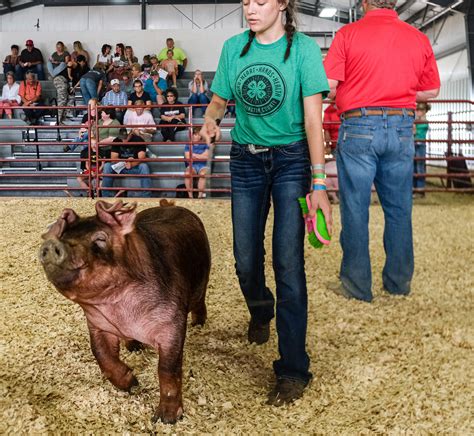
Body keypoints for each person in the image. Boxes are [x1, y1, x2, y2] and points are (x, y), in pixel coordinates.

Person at [200, 0, 331, 406]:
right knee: (244, 259)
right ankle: (261, 310)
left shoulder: (305, 50)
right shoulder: (233, 48)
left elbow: (313, 120)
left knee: (288, 262)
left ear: (283, 3)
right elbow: (220, 101)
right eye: (245, 2)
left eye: (260, 1)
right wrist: (210, 118)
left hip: (291, 161)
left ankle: (293, 368)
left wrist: (320, 182)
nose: (250, 10)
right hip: (245, 161)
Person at [324, 0, 440, 303]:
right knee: (400, 209)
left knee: (355, 208)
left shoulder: (348, 34)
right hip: (401, 127)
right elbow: (432, 90)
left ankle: (357, 286)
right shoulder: (418, 37)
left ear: (364, 3)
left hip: (359, 124)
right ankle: (398, 283)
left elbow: (329, 85)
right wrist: (398, 89)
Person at [184, 127, 209, 198]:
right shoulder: (188, 144)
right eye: (195, 134)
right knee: (187, 174)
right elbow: (188, 157)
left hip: (204, 165)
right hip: (192, 165)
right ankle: (190, 196)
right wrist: (201, 156)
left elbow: (206, 157)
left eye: (199, 135)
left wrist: (194, 155)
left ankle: (200, 196)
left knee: (203, 174)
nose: (197, 136)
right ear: (191, 135)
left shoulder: (205, 144)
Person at [413, 102, 430, 198]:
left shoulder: (424, 122)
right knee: (413, 167)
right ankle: (414, 189)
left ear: (424, 111)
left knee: (419, 167)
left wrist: (414, 128)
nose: (419, 112)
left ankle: (420, 190)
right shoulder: (416, 121)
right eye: (417, 110)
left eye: (421, 110)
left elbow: (415, 131)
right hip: (414, 143)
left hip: (420, 144)